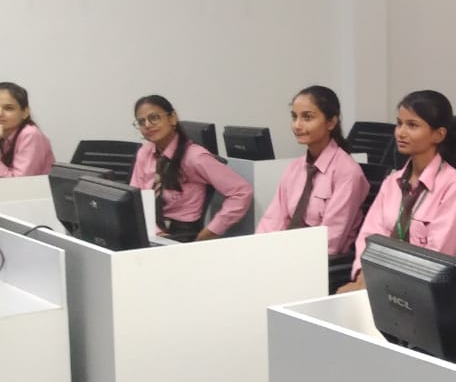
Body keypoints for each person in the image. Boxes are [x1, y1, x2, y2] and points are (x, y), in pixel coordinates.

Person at [338, 90, 456, 293]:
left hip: (421, 289)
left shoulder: (455, 187)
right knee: (340, 298)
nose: (401, 132)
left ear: (438, 134)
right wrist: (362, 277)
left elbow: (436, 257)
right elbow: (369, 235)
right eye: (399, 123)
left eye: (412, 125)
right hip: (379, 281)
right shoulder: (392, 181)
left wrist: (379, 283)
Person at [255, 86, 370, 256]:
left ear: (331, 122)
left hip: (320, 262)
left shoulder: (347, 172)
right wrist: (257, 252)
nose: (297, 125)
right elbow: (274, 220)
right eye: (294, 117)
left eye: (307, 117)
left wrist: (289, 260)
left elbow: (331, 238)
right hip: (285, 255)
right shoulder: (295, 167)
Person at [129, 95, 252, 242]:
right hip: (151, 230)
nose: (148, 125)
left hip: (181, 235)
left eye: (154, 118)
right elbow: (135, 198)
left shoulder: (195, 157)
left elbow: (242, 191)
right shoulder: (145, 153)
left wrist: (211, 231)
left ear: (172, 118)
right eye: (141, 122)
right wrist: (154, 232)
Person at [0, 82, 55, 178]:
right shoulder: (4, 135)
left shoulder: (30, 134)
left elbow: (19, 182)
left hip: (35, 192)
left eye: (8, 108)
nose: (0, 113)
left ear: (25, 112)